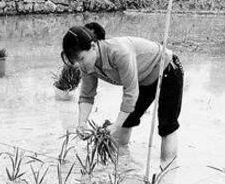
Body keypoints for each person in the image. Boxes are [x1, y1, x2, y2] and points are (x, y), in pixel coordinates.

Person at [61, 22, 183, 168]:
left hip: (167, 69)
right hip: (142, 79)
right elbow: (87, 95)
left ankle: (166, 175)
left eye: (81, 58)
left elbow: (130, 93)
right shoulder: (88, 65)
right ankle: (123, 166)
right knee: (126, 122)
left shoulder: (119, 52)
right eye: (76, 61)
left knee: (166, 127)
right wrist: (81, 123)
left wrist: (115, 126)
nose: (80, 64)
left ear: (93, 47)